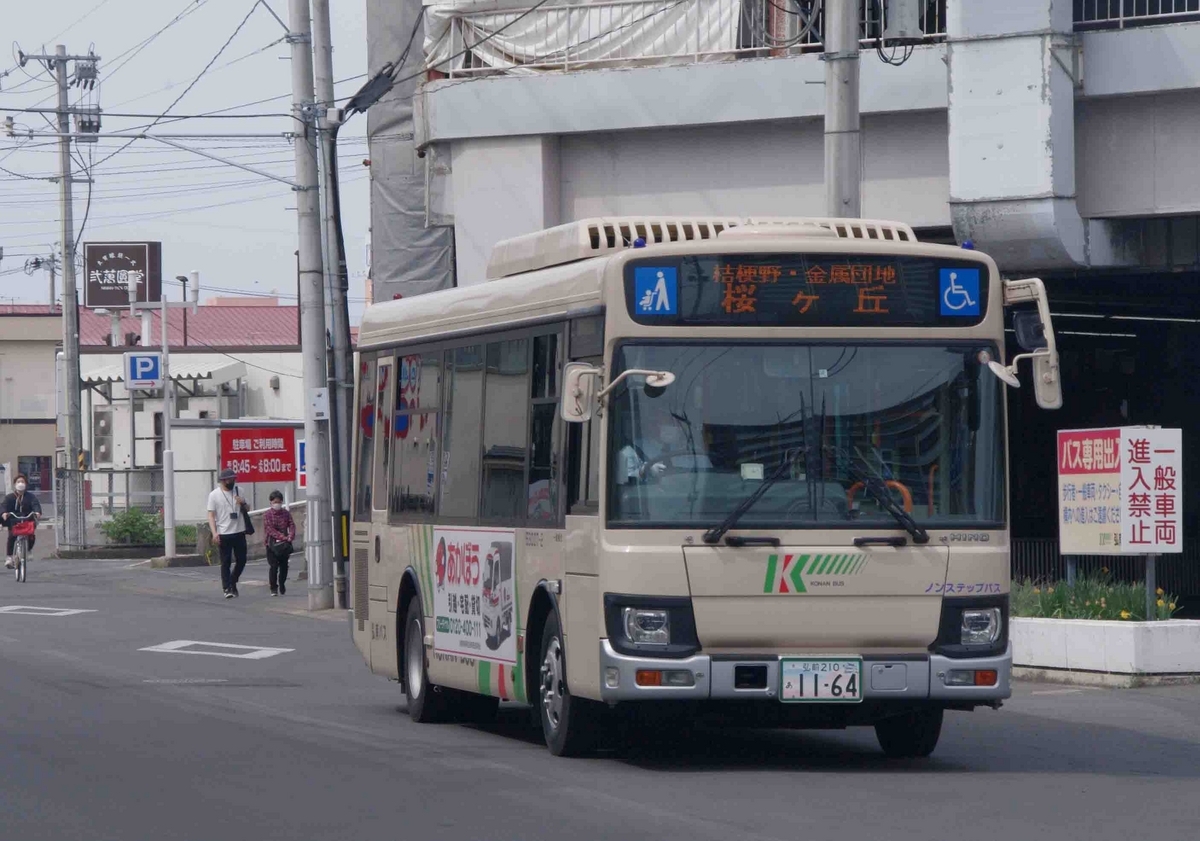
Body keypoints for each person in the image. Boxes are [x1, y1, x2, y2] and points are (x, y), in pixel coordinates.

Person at [206, 467, 247, 599]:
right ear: (223, 480)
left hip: (239, 530)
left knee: (242, 560)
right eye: (229, 479)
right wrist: (214, 532)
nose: (232, 481)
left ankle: (233, 580)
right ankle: (227, 588)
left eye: (233, 479)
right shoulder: (214, 495)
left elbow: (247, 508)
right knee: (226, 561)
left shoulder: (239, 491)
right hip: (224, 532)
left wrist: (243, 503)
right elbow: (211, 515)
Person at [2, 473, 42, 569]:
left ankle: (28, 550)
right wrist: (4, 513)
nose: (20, 483)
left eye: (22, 482)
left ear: (26, 484)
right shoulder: (9, 497)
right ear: (15, 484)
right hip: (14, 520)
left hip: (27, 519)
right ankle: (9, 557)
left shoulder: (30, 496)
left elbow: (35, 504)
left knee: (31, 536)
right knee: (12, 536)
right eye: (18, 482)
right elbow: (4, 506)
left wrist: (37, 512)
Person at [263, 490, 296, 596]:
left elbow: (291, 525)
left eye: (278, 502)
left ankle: (282, 583)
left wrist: (290, 535)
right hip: (271, 544)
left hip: (284, 545)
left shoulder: (286, 513)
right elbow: (270, 529)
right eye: (274, 502)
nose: (277, 504)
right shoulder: (267, 515)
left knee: (284, 566)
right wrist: (282, 537)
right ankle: (273, 588)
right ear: (271, 502)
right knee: (273, 566)